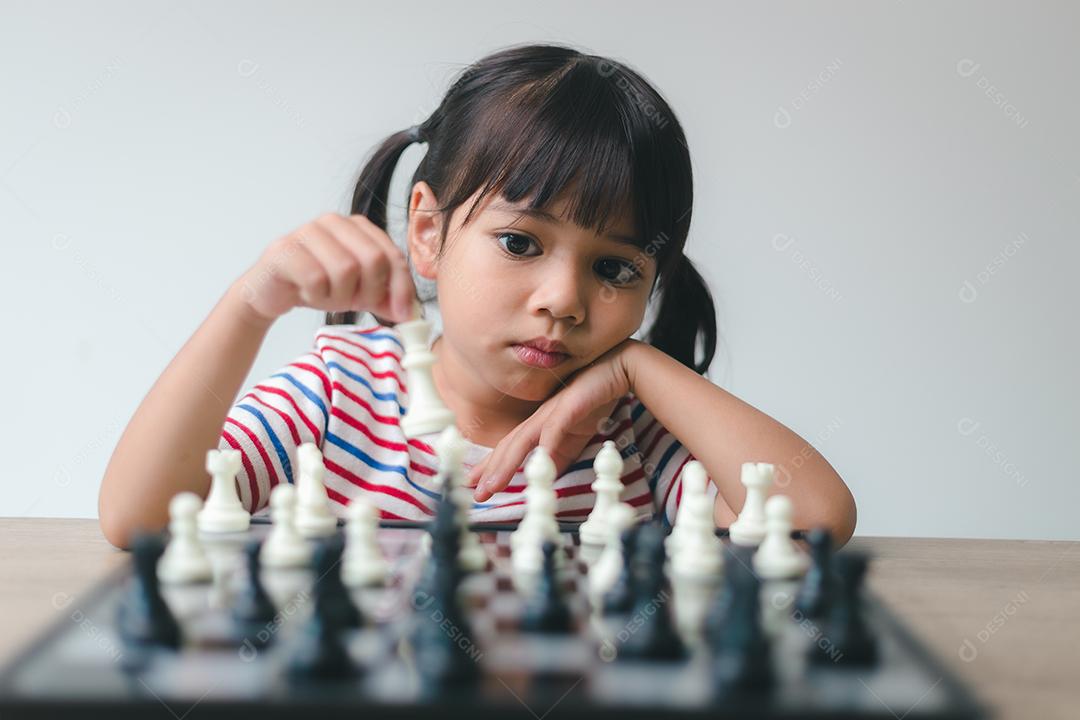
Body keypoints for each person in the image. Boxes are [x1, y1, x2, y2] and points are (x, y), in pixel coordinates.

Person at [99, 43, 855, 549]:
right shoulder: (340, 394)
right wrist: (248, 305)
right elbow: (140, 520)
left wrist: (638, 370)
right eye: (521, 243)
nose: (563, 300)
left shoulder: (627, 429)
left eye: (616, 268)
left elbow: (816, 519)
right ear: (427, 230)